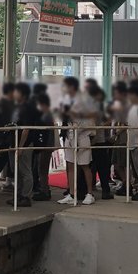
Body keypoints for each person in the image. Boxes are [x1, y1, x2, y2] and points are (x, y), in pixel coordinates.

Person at [58, 76, 96, 205]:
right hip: (70, 136)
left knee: (85, 166)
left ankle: (89, 193)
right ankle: (72, 193)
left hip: (82, 136)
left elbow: (89, 121)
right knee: (70, 165)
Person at [7, 82, 37, 207]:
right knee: (16, 171)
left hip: (23, 144)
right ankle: (18, 195)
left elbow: (26, 129)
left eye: (17, 92)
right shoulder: (16, 107)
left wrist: (21, 146)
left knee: (25, 170)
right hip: (13, 142)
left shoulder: (27, 108)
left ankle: (25, 196)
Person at [31, 91, 55, 201]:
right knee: (42, 169)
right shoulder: (48, 115)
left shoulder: (45, 116)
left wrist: (41, 145)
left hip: (45, 146)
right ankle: (44, 189)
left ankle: (45, 191)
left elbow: (44, 133)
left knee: (42, 169)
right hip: (46, 145)